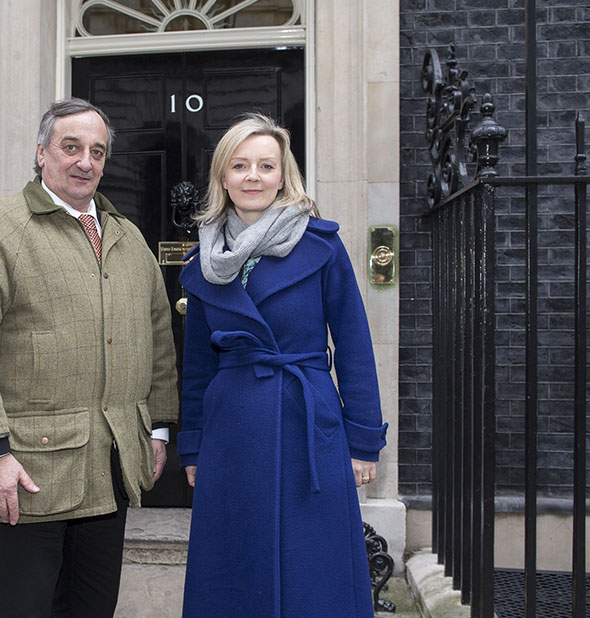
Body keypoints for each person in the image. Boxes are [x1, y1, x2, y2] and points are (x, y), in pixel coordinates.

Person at [0, 98, 179, 618]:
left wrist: (156, 429)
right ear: (41, 153)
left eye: (97, 151)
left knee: (91, 609)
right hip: (29, 473)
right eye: (71, 147)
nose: (85, 161)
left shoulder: (128, 238)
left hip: (111, 466)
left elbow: (157, 338)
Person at [177, 113, 388, 617]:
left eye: (266, 165)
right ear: (223, 177)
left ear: (282, 174)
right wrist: (194, 447)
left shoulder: (322, 245)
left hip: (307, 423)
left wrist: (363, 441)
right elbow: (198, 368)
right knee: (235, 565)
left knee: (313, 568)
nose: (253, 176)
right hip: (231, 431)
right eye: (240, 165)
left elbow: (356, 346)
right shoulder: (201, 261)